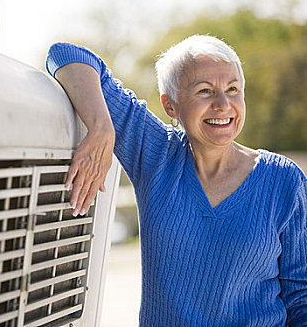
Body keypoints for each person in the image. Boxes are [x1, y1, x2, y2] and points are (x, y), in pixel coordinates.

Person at [46, 35, 307, 326]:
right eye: (205, 91)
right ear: (171, 106)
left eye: (233, 89)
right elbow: (65, 54)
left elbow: (301, 297)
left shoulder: (284, 180)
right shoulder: (156, 155)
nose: (223, 104)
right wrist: (101, 128)